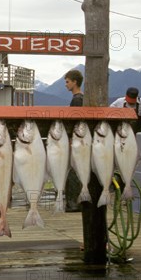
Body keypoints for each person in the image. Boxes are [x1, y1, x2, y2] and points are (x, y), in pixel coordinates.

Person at [64, 69, 83, 212]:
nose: (66, 85)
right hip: (80, 139)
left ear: (75, 82)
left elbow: (75, 121)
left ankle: (73, 203)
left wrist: (70, 138)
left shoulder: (77, 99)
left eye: (67, 82)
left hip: (75, 140)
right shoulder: (82, 98)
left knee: (73, 170)